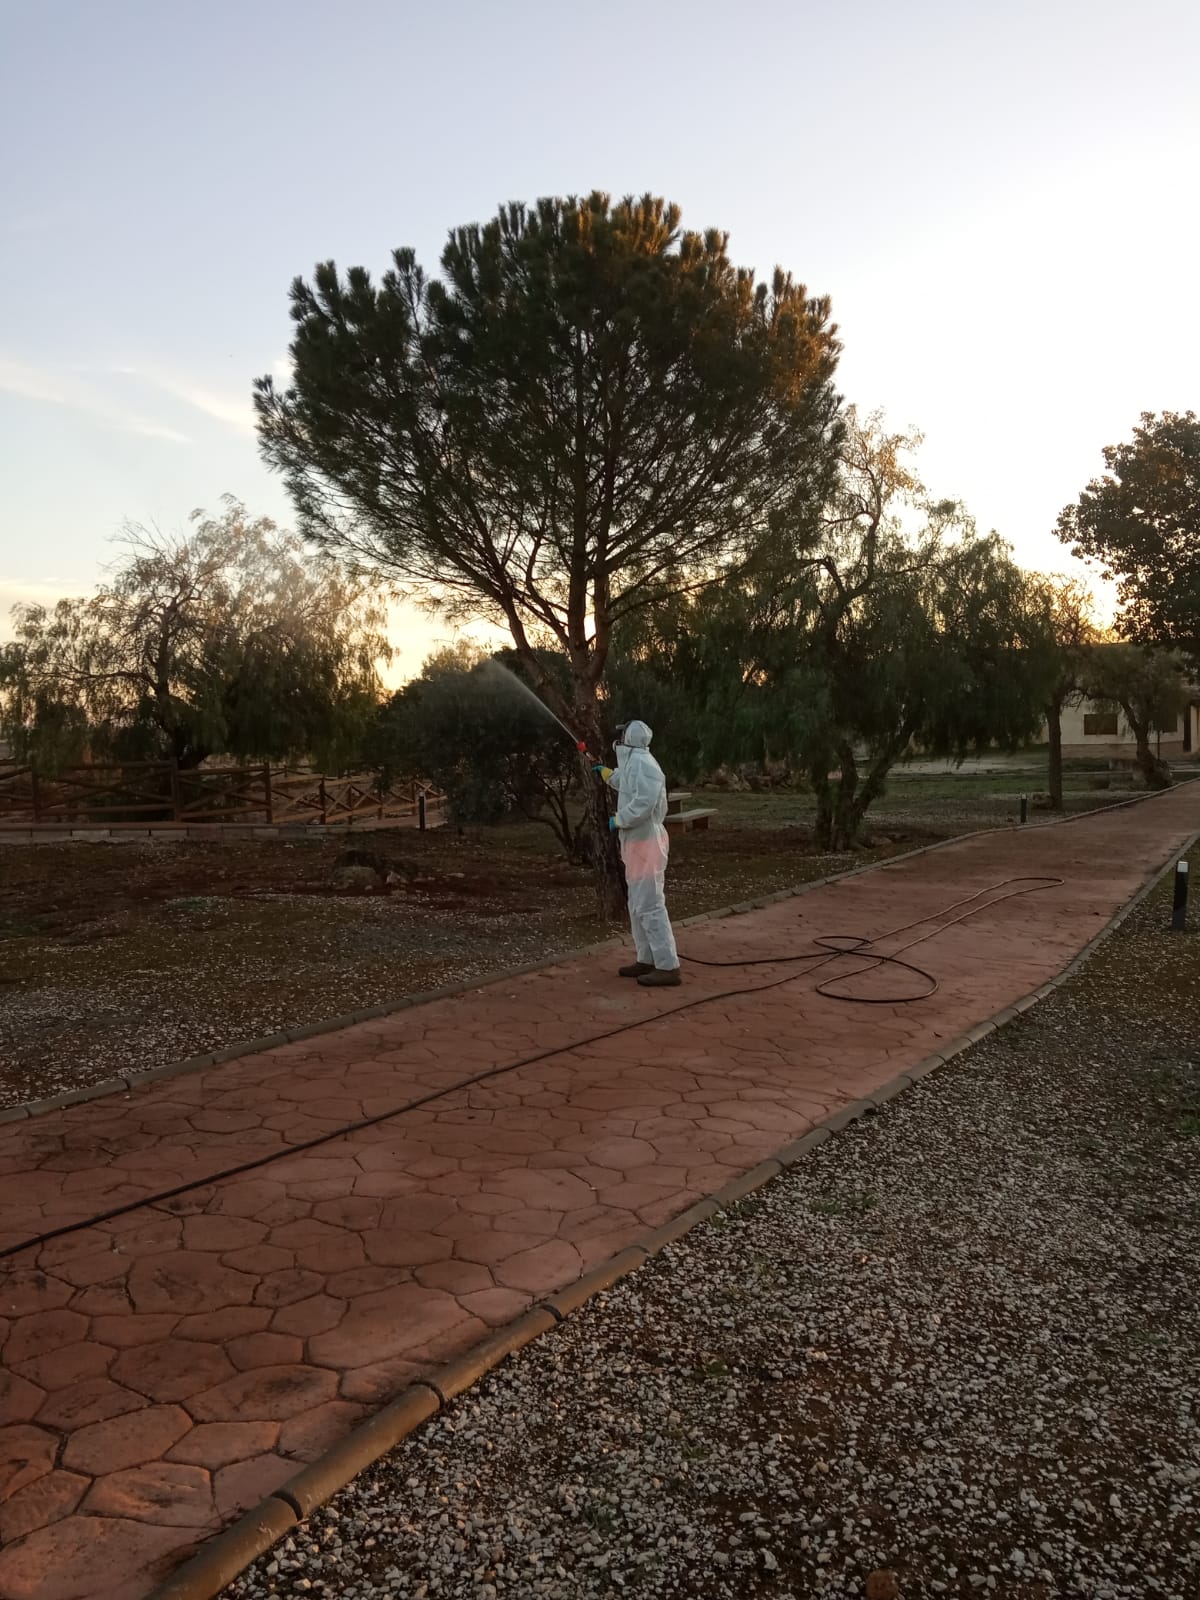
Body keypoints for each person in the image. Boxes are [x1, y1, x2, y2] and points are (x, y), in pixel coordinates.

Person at [594, 721, 681, 987]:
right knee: (637, 903)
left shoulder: (645, 764)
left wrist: (620, 819)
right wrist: (608, 774)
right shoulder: (634, 762)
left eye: (622, 733)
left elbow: (643, 803)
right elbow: (627, 783)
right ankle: (646, 958)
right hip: (636, 842)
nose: (619, 737)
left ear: (630, 736)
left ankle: (667, 966)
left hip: (646, 842)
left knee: (650, 904)